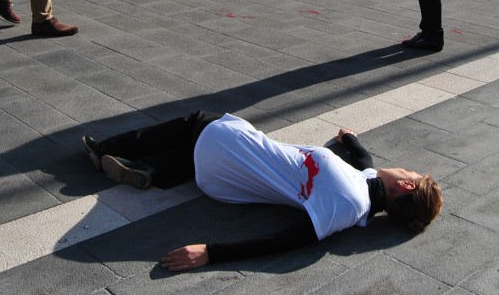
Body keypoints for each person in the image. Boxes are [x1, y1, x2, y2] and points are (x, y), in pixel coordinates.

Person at [80, 112, 443, 271]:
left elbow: (285, 241)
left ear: (406, 185)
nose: (404, 166)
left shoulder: (347, 204)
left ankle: (106, 148)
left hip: (229, 147)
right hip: (224, 175)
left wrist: (210, 252)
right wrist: (350, 138)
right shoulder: (365, 189)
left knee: (193, 122)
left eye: (409, 172)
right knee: (191, 149)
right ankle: (153, 172)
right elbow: (364, 159)